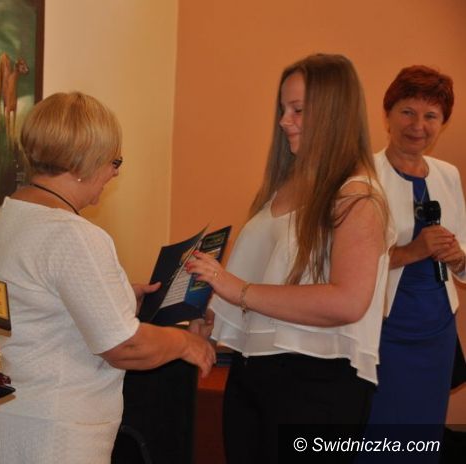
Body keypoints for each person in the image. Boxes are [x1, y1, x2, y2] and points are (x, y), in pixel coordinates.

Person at [0, 91, 216, 464]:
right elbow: (125, 347)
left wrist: (120, 296)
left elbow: (38, 305)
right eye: (113, 161)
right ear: (83, 162)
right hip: (54, 434)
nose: (115, 172)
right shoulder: (72, 234)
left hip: (11, 418)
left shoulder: (10, 214)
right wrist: (185, 342)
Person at [185, 54, 394, 464]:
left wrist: (236, 289)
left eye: (298, 110)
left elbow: (347, 301)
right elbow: (265, 280)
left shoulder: (358, 197)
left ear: (333, 114)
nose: (284, 121)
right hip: (254, 373)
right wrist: (214, 316)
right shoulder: (285, 185)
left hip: (318, 383)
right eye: (283, 109)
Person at [366, 66, 464, 440]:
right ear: (387, 114)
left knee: (424, 432)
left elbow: (464, 244)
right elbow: (342, 262)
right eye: (407, 111)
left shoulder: (448, 174)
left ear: (443, 122)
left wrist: (457, 257)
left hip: (437, 326)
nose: (418, 125)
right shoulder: (364, 175)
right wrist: (412, 251)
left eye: (431, 116)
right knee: (380, 430)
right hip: (383, 326)